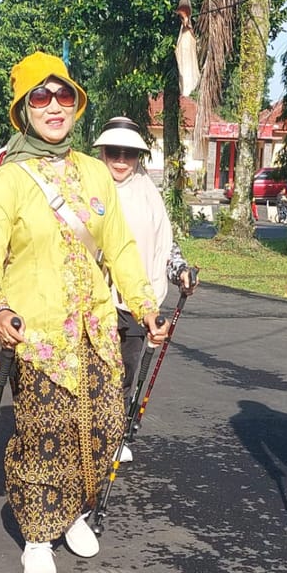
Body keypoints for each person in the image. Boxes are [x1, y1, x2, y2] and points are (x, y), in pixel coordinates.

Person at [0, 53, 168, 573]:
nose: (54, 106)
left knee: (105, 425)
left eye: (63, 95)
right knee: (45, 434)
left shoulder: (93, 172)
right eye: (41, 96)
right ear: (24, 109)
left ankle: (77, 511)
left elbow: (122, 249)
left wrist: (146, 306)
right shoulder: (11, 179)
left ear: (76, 103)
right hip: (37, 331)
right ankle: (37, 534)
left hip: (98, 329)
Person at [93, 116, 197, 463]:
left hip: (139, 304)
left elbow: (164, 244)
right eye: (114, 152)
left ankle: (113, 435)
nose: (121, 160)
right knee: (95, 373)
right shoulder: (88, 187)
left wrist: (180, 270)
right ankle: (88, 438)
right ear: (102, 152)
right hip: (96, 299)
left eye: (129, 153)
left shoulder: (148, 193)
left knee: (125, 373)